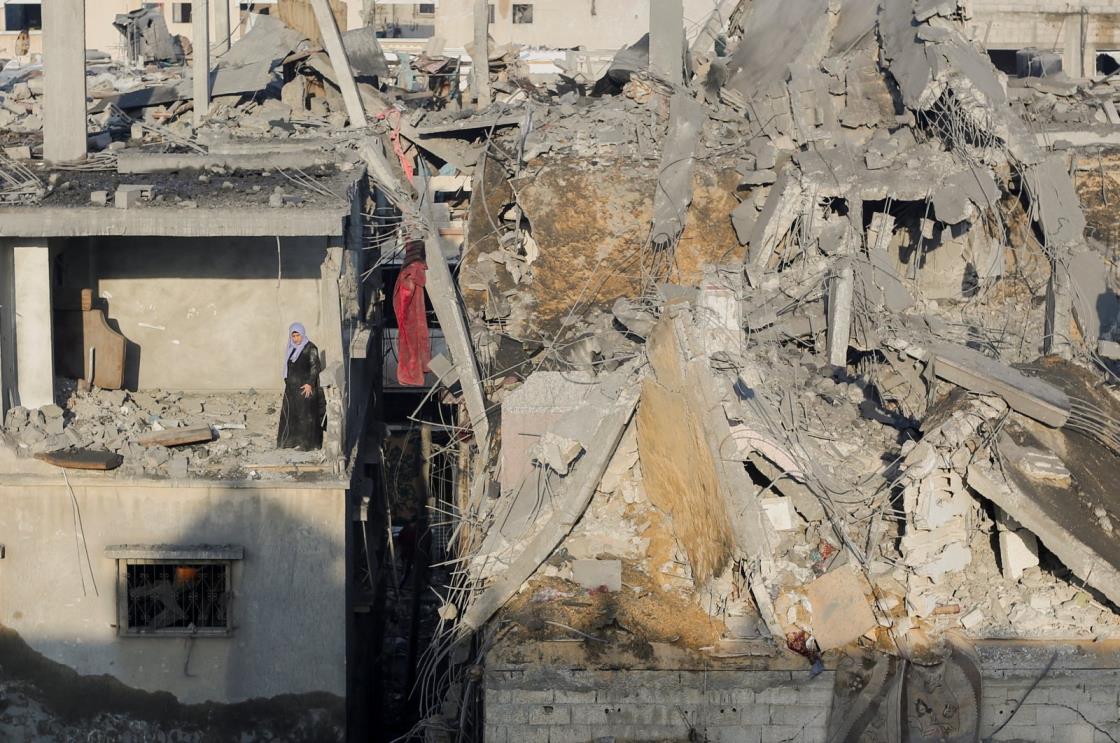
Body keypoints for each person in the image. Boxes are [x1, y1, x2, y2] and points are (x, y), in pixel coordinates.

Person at [277, 322, 324, 450]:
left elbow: (315, 367)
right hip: (292, 390)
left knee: (305, 416)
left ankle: (307, 444)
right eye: (294, 336)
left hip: (305, 388)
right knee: (291, 415)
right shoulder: (291, 348)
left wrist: (309, 383)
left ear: (302, 335)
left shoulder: (311, 348)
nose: (296, 338)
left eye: (298, 335)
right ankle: (290, 442)